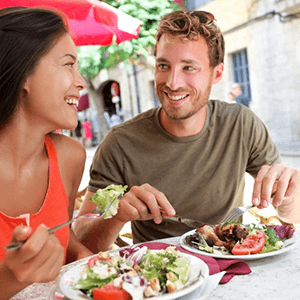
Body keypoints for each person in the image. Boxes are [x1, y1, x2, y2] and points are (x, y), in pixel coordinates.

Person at [73, 10, 300, 252]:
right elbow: (82, 239)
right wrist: (117, 216)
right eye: (163, 65)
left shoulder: (241, 124)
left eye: (189, 68)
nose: (173, 82)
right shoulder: (120, 142)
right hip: (157, 278)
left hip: (230, 267)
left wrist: (287, 198)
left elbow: (293, 215)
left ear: (217, 73)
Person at [0, 7, 97, 298]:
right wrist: (7, 278)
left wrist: (107, 267)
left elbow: (65, 244)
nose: (80, 82)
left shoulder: (70, 157)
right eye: (68, 64)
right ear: (23, 74)